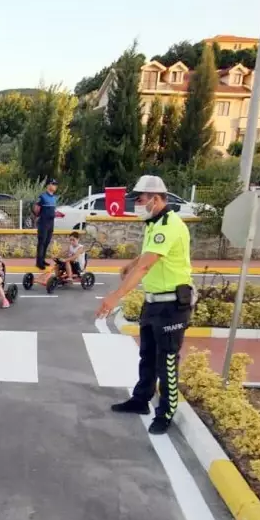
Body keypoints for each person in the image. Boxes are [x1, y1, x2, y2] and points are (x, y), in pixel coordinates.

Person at [95, 175, 193, 435]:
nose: (136, 204)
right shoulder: (155, 223)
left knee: (167, 362)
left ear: (157, 199)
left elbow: (148, 265)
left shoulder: (169, 225)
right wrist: (131, 263)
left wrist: (115, 296)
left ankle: (166, 412)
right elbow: (148, 254)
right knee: (147, 356)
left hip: (172, 304)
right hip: (153, 303)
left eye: (140, 199)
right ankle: (140, 400)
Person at [33, 178, 59, 270]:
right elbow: (36, 209)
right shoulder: (42, 196)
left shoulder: (54, 198)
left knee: (47, 242)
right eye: (53, 184)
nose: (55, 186)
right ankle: (39, 262)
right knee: (42, 242)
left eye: (56, 184)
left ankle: (43, 259)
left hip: (51, 223)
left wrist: (57, 214)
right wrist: (39, 216)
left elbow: (53, 210)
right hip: (43, 222)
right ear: (48, 185)